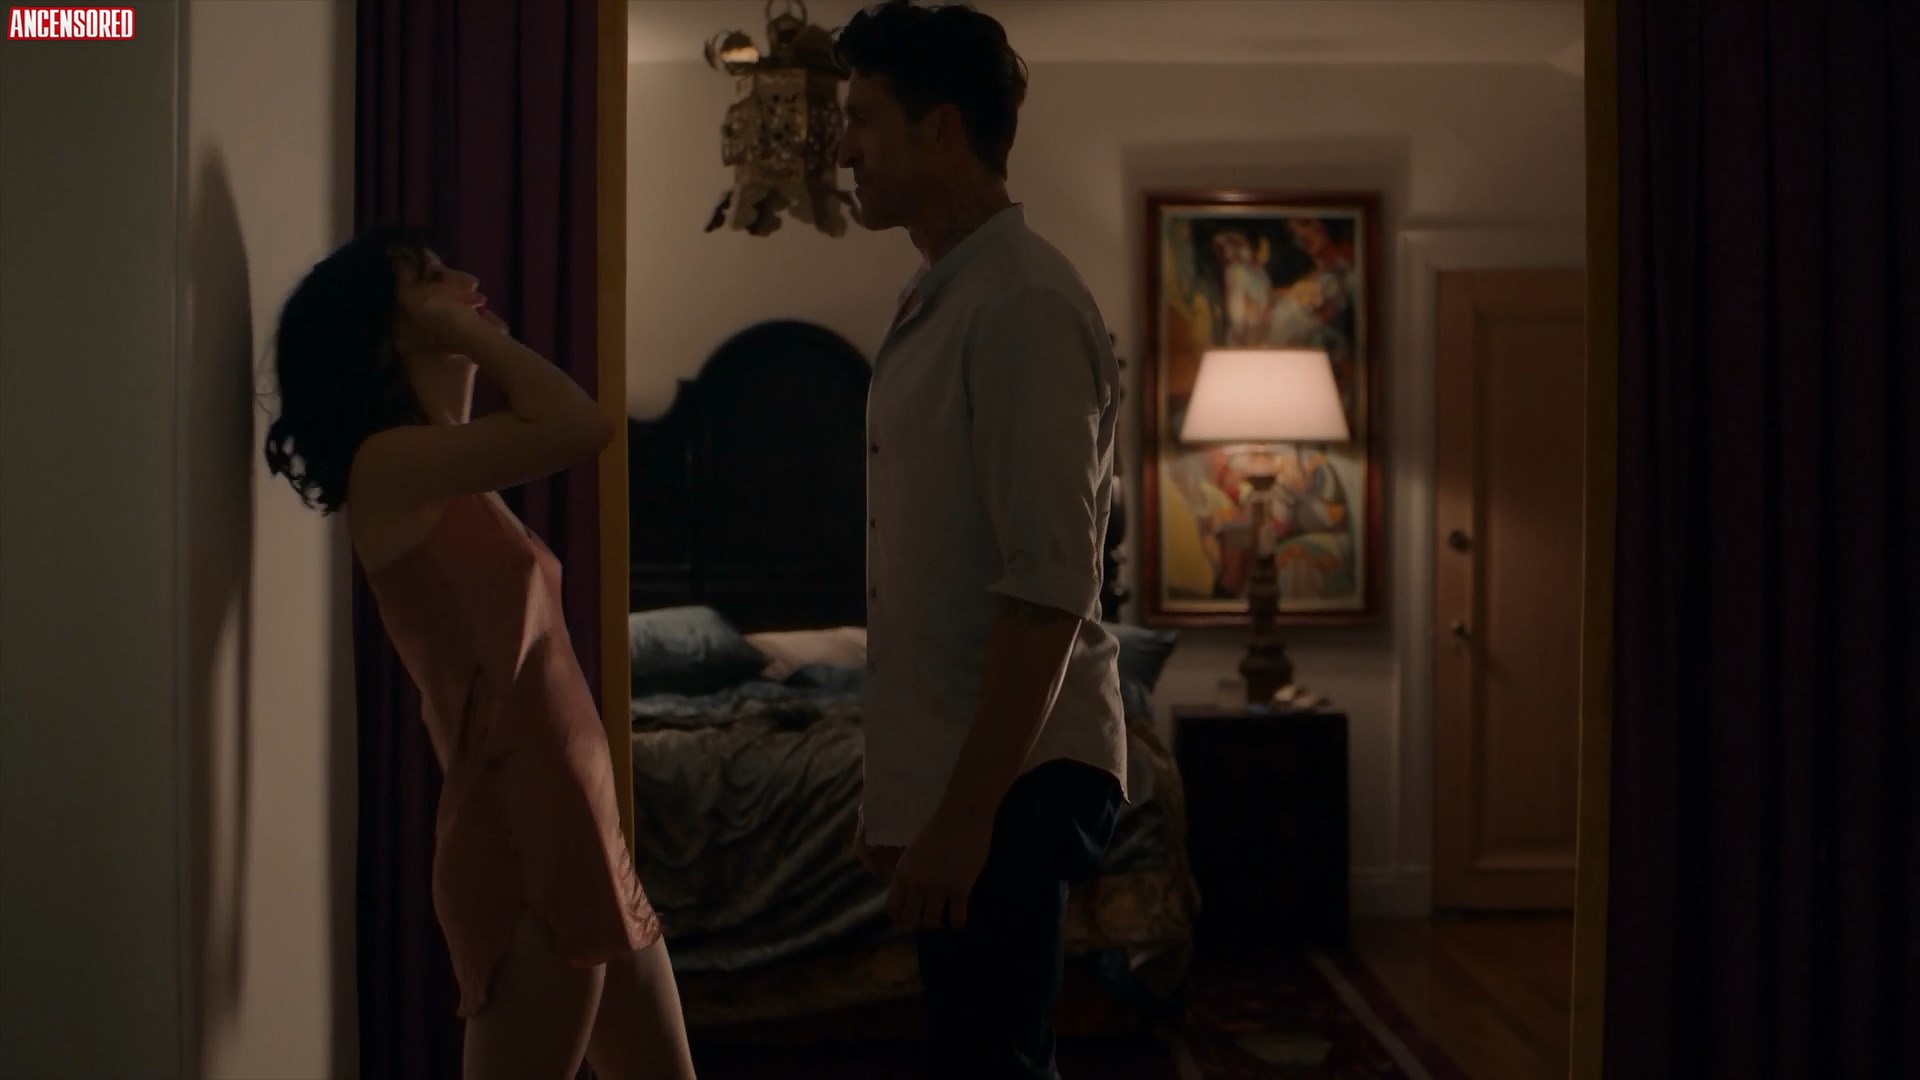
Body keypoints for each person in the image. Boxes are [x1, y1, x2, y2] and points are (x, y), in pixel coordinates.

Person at [262, 226, 696, 1080]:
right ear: (386, 330)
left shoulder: (450, 469)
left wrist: (448, 324)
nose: (465, 279)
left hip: (582, 830)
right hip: (520, 839)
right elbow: (581, 424)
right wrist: (467, 331)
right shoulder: (388, 467)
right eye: (430, 279)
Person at [833, 3, 1130, 1077]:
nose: (843, 151)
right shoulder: (945, 294)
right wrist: (904, 788)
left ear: (943, 128)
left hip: (1018, 777)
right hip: (971, 772)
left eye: (862, 119)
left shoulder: (1021, 305)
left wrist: (963, 820)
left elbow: (1050, 587)